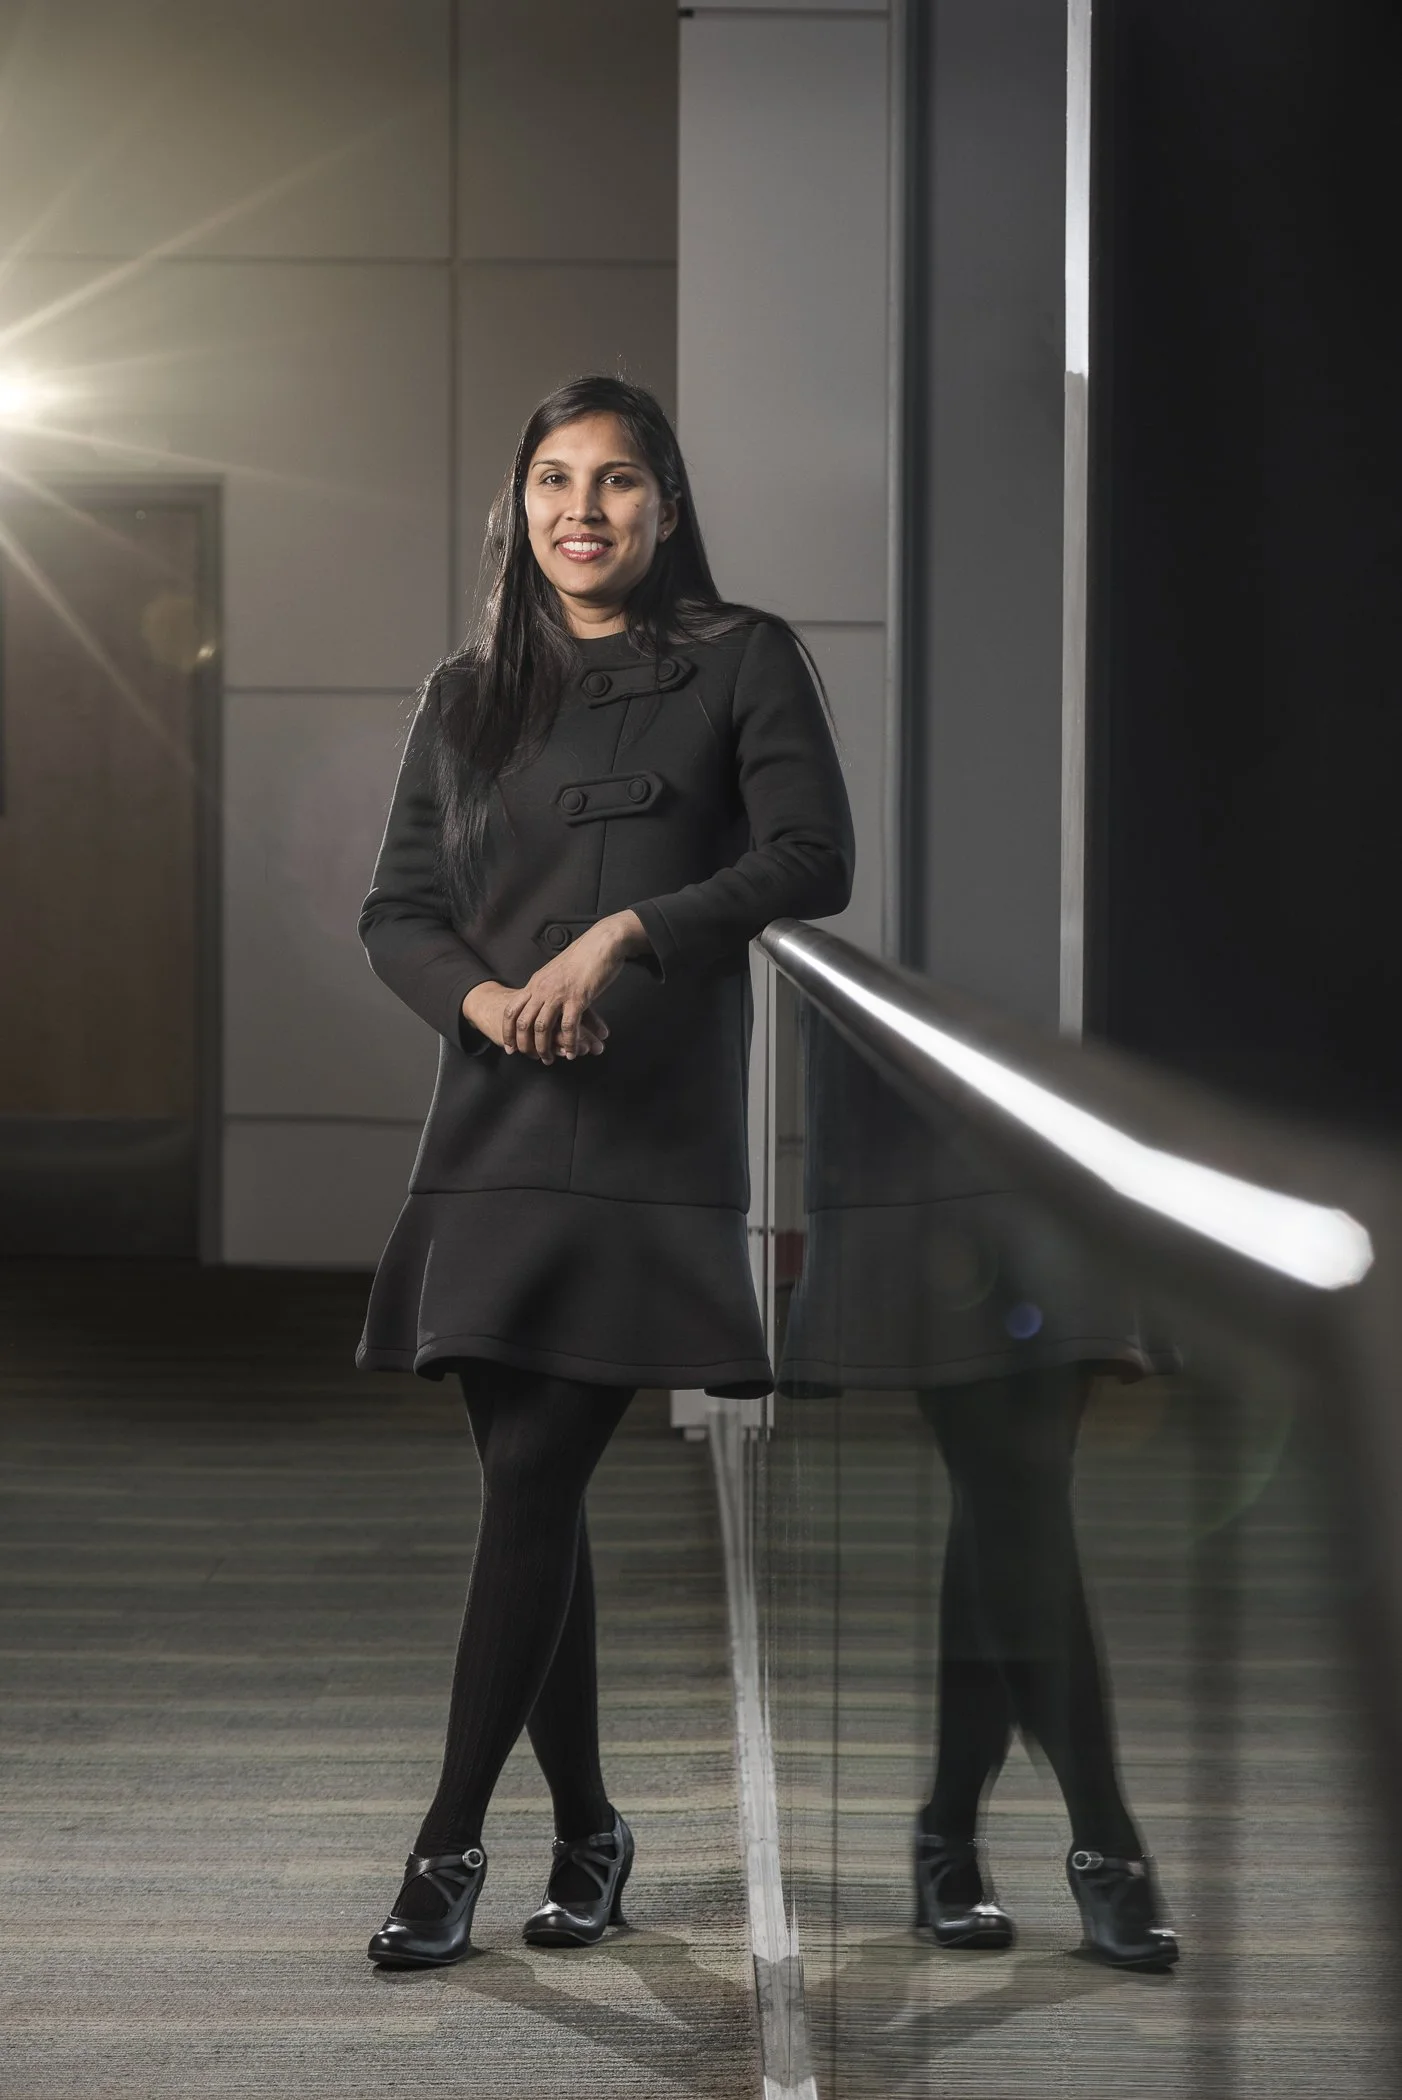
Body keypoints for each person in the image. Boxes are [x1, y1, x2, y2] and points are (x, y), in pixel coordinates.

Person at [354, 375, 854, 1967]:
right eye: (556, 481)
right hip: (495, 1126)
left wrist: (634, 929)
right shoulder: (465, 694)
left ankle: (446, 1852)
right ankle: (590, 1831)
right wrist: (488, 1000)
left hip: (649, 1133)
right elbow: (399, 914)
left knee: (531, 1491)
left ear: (666, 503)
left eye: (619, 481)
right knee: (530, 1496)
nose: (585, 509)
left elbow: (809, 858)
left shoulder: (739, 657)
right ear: (521, 507)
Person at [779, 1014, 1179, 1970]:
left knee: (1011, 1493)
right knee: (1012, 1490)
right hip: (917, 1064)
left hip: (1079, 1053)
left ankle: (949, 1832)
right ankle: (1101, 1838)